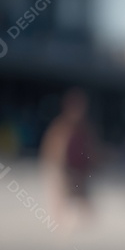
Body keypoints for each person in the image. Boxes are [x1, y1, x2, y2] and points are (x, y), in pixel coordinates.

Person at [40, 89, 98, 229]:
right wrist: (58, 169)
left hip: (79, 170)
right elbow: (52, 150)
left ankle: (87, 227)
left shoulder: (85, 128)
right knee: (61, 198)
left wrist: (92, 164)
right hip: (62, 170)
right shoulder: (60, 127)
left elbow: (92, 149)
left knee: (84, 199)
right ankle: (58, 227)